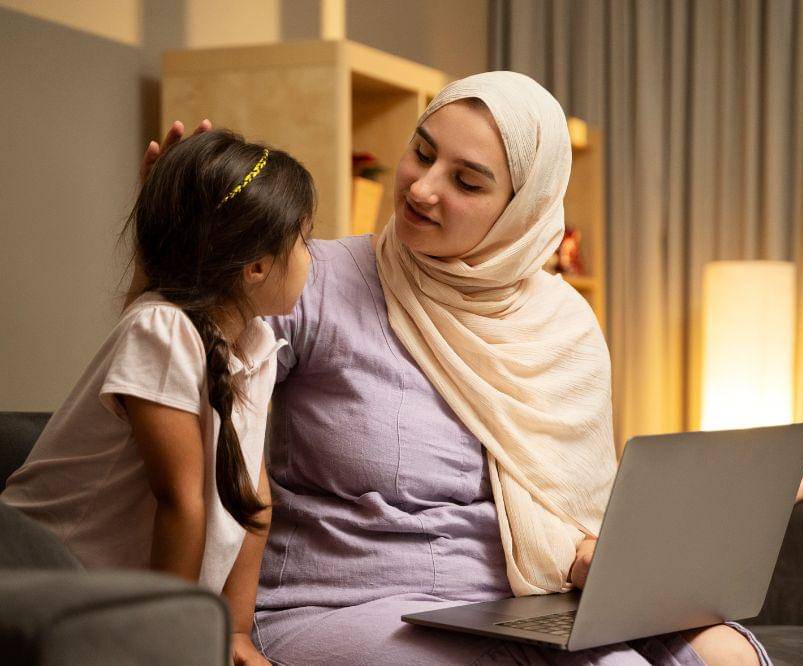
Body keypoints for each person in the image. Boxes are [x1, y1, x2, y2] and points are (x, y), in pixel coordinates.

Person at [146, 72, 768, 664]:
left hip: (516, 604)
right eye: (421, 152)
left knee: (728, 654)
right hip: (344, 603)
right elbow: (184, 362)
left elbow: (569, 504)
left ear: (521, 212)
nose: (421, 188)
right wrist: (173, 247)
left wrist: (592, 557)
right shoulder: (315, 279)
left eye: (467, 182)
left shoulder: (562, 323)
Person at [2, 130, 315, 666]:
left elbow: (253, 499)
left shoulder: (256, 346)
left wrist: (235, 632)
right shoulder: (162, 329)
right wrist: (171, 643)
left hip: (122, 601)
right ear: (257, 267)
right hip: (39, 571)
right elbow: (180, 499)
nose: (313, 255)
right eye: (305, 240)